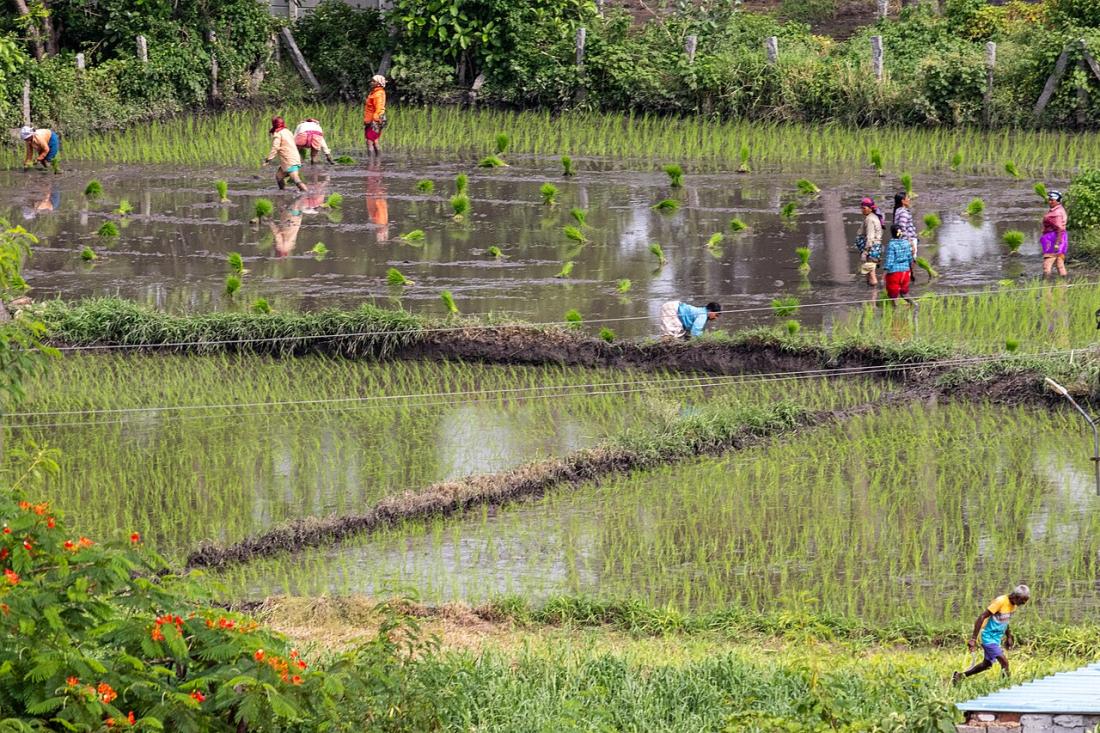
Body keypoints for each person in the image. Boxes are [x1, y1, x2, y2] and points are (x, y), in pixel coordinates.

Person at [953, 584, 1030, 683]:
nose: (1023, 603)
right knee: (1004, 662)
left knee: (987, 664)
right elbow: (982, 617)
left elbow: (1005, 621)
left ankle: (959, 676)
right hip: (987, 636)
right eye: (1022, 601)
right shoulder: (1000, 601)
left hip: (996, 638)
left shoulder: (1013, 605)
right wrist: (973, 639)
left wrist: (1009, 636)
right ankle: (1005, 687)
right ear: (1015, 597)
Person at [262, 116, 307, 192]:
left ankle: (308, 194)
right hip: (293, 158)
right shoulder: (288, 131)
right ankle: (283, 192)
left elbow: (275, 147)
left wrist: (268, 159)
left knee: (296, 179)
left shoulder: (278, 134)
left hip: (289, 160)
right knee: (279, 176)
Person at [882, 223, 915, 301]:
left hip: (894, 274)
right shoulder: (906, 243)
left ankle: (894, 310)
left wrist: (883, 275)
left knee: (893, 295)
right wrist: (912, 272)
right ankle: (914, 305)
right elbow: (910, 258)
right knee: (904, 293)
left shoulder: (891, 245)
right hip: (905, 273)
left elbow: (889, 261)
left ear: (892, 233)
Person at [856, 197, 884, 286]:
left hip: (871, 248)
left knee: (872, 274)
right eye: (861, 208)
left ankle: (873, 296)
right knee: (869, 272)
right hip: (874, 247)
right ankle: (870, 295)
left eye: (864, 208)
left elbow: (870, 237)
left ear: (870, 208)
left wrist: (865, 252)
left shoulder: (870, 219)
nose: (862, 210)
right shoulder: (872, 217)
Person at [1041, 190, 1068, 278]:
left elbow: (1059, 228)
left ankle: (1046, 287)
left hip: (1053, 239)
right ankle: (1063, 287)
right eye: (1049, 199)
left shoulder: (1056, 213)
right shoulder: (1060, 209)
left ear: (1058, 201)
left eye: (1052, 200)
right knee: (1059, 263)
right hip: (1061, 238)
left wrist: (1056, 243)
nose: (1050, 201)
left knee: (1047, 265)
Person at [363, 75, 387, 156]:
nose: (371, 82)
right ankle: (377, 161)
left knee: (369, 141)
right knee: (374, 140)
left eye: (373, 81)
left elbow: (379, 107)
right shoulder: (374, 92)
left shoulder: (378, 94)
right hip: (372, 119)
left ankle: (370, 163)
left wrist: (375, 120)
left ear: (378, 83)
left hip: (376, 119)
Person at [893, 191, 918, 257]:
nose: (909, 200)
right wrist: (910, 242)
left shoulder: (898, 210)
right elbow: (902, 228)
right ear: (903, 201)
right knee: (910, 263)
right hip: (907, 241)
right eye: (907, 198)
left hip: (903, 241)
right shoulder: (903, 212)